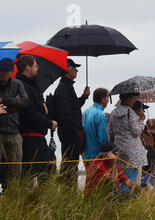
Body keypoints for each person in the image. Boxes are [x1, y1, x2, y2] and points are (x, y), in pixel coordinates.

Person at [16, 55, 57, 183]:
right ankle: (29, 202)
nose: (38, 68)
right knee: (31, 177)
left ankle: (40, 202)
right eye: (35, 65)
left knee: (45, 174)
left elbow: (39, 108)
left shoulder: (33, 86)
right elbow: (29, 112)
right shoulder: (21, 86)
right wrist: (49, 122)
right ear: (27, 67)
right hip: (30, 138)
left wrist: (44, 105)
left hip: (38, 137)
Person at [54, 58, 90, 185]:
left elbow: (73, 108)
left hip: (70, 131)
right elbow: (65, 114)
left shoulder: (67, 86)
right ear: (66, 69)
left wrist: (84, 97)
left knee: (71, 162)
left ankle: (69, 189)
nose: (77, 70)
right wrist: (75, 130)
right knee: (70, 163)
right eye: (74, 67)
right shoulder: (64, 88)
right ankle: (68, 191)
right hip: (69, 132)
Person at [108, 93, 146, 193]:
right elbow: (136, 131)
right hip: (133, 153)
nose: (135, 100)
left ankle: (121, 198)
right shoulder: (131, 113)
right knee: (131, 178)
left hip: (119, 150)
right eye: (134, 98)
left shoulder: (114, 112)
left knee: (122, 177)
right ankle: (127, 200)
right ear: (128, 99)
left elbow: (110, 131)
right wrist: (141, 120)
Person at [0, 58, 28, 187]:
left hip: (14, 130)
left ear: (11, 71)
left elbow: (24, 102)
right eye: (1, 71)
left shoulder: (17, 84)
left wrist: (4, 100)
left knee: (16, 168)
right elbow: (19, 102)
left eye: (6, 71)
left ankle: (12, 195)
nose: (3, 74)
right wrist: (14, 102)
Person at [81, 88, 110, 170]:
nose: (108, 100)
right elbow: (104, 138)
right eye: (107, 97)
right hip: (96, 156)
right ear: (103, 99)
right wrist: (108, 152)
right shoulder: (101, 115)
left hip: (85, 154)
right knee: (99, 181)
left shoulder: (85, 112)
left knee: (89, 180)